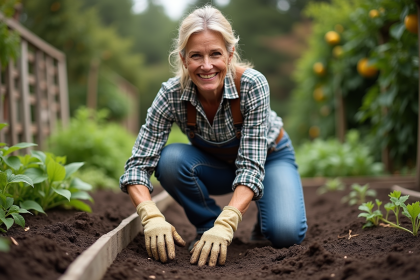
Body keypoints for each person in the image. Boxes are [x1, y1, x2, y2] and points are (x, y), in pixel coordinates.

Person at [119, 5, 307, 267]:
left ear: (230, 55)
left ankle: (258, 222)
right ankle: (207, 225)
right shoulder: (171, 95)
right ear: (184, 59)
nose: (206, 66)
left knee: (285, 233)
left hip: (268, 159)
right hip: (217, 165)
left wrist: (228, 223)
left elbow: (252, 167)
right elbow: (138, 165)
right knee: (170, 160)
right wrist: (150, 215)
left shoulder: (252, 85)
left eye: (215, 54)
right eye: (196, 56)